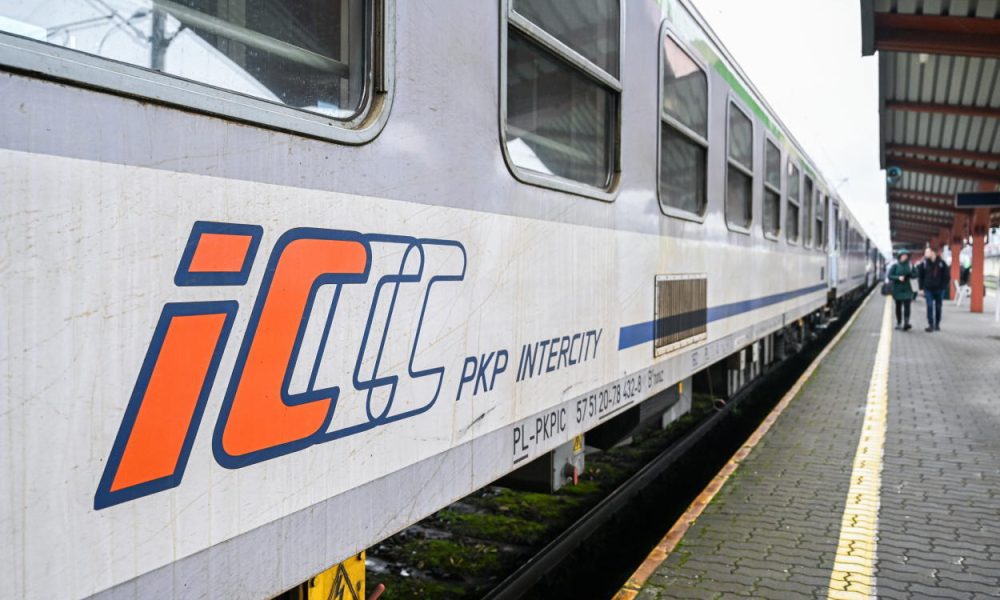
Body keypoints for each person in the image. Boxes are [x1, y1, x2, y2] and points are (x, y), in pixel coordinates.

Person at [918, 247, 950, 332]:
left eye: (927, 252)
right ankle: (930, 324)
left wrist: (944, 287)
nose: (926, 254)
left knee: (938, 307)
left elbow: (947, 276)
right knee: (929, 306)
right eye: (925, 252)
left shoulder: (942, 263)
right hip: (928, 289)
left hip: (939, 289)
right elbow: (920, 276)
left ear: (933, 253)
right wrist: (921, 288)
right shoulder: (924, 263)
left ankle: (937, 324)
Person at [888, 251, 916, 330]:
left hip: (908, 289)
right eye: (903, 255)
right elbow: (889, 276)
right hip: (897, 289)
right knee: (898, 307)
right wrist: (898, 278)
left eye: (906, 255)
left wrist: (911, 275)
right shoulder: (895, 265)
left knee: (907, 306)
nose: (904, 257)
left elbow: (916, 274)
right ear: (899, 256)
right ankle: (899, 323)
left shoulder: (910, 265)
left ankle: (906, 323)